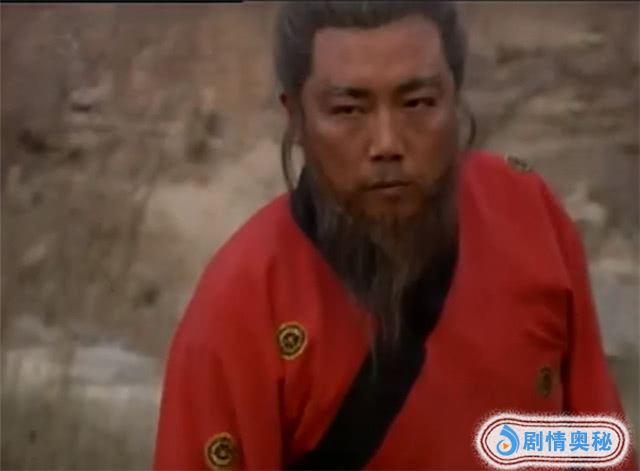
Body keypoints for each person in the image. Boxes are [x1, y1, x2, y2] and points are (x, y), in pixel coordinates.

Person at [153, 2, 636, 469]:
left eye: (418, 103)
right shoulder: (239, 307)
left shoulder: (527, 212)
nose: (387, 143)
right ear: (296, 117)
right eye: (348, 110)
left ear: (455, 97)